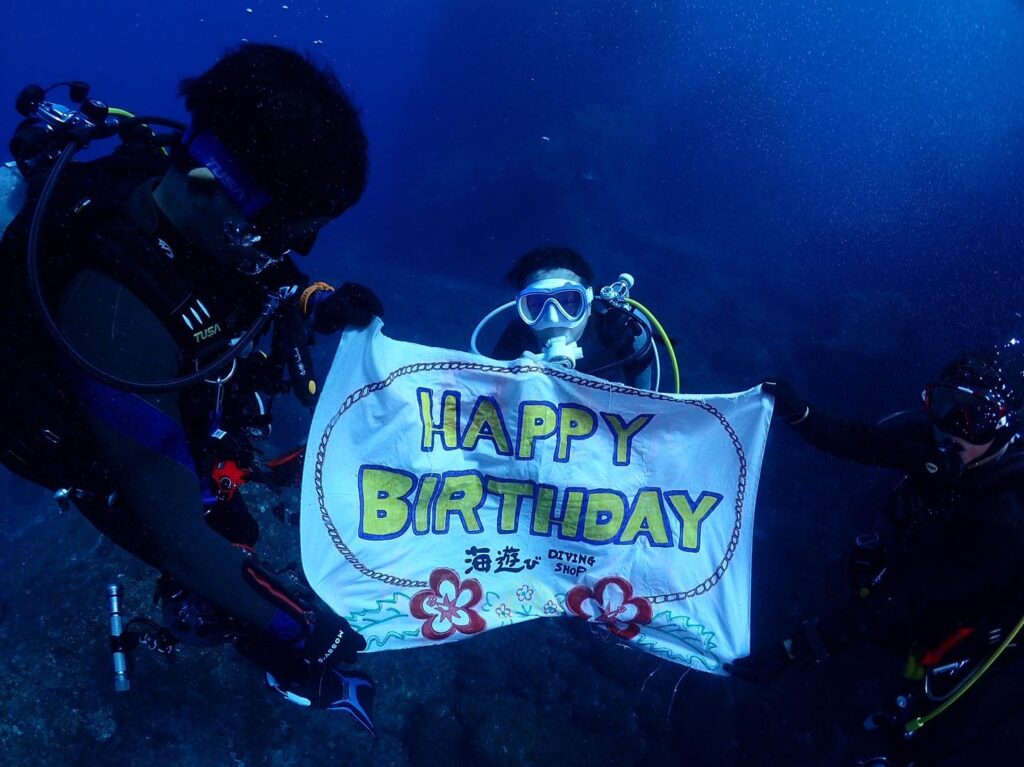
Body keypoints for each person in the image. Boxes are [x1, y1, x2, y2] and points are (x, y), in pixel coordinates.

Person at [0, 44, 383, 731]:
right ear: (219, 187)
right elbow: (180, 539)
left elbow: (267, 270)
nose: (297, 247)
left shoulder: (179, 189)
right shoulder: (116, 321)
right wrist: (307, 631)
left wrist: (314, 302)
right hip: (95, 445)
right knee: (221, 554)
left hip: (171, 365)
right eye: (288, 229)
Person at [750, 347, 1024, 762]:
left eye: (977, 417)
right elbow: (865, 441)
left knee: (922, 729)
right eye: (946, 405)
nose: (955, 428)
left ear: (1002, 424)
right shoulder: (940, 445)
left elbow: (909, 596)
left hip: (966, 627)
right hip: (910, 588)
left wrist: (795, 648)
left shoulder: (1007, 514)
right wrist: (800, 414)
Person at [482, 246, 657, 388]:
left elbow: (645, 399)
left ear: (588, 303)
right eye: (536, 305)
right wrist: (514, 381)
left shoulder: (621, 332)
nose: (553, 319)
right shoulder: (516, 339)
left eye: (567, 302)